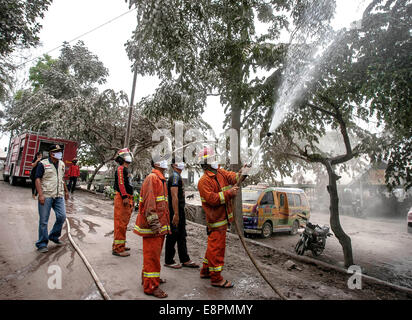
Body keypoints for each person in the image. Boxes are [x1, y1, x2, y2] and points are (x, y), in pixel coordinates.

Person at [197, 146, 249, 288]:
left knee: (212, 247)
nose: (215, 159)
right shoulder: (204, 181)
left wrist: (244, 171)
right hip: (216, 220)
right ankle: (216, 278)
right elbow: (212, 199)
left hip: (223, 218)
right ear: (206, 163)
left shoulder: (220, 172)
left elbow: (234, 178)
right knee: (217, 249)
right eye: (212, 158)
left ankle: (206, 271)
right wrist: (229, 194)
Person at [134, 159, 171, 298]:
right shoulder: (152, 178)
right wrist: (155, 224)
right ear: (156, 164)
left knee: (153, 256)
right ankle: (151, 286)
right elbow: (150, 204)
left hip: (159, 226)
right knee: (152, 257)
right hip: (153, 227)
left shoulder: (160, 179)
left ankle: (149, 279)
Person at [164, 158, 199, 269]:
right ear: (174, 165)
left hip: (180, 211)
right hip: (175, 211)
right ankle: (169, 260)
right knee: (173, 235)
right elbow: (174, 196)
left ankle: (185, 259)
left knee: (181, 235)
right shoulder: (174, 177)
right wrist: (176, 214)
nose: (182, 164)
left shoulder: (178, 176)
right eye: (180, 162)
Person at [34, 145, 69, 253]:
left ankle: (53, 236)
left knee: (62, 216)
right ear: (51, 153)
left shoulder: (62, 164)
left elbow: (61, 179)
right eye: (57, 152)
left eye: (60, 151)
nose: (60, 153)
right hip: (47, 195)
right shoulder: (43, 164)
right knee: (44, 221)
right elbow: (37, 179)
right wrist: (40, 195)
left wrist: (66, 191)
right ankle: (42, 244)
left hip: (59, 195)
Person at [112, 148, 134, 257]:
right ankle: (118, 248)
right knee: (120, 223)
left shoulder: (126, 169)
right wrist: (124, 196)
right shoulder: (121, 169)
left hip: (127, 197)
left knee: (124, 223)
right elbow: (121, 183)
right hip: (122, 198)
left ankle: (120, 244)